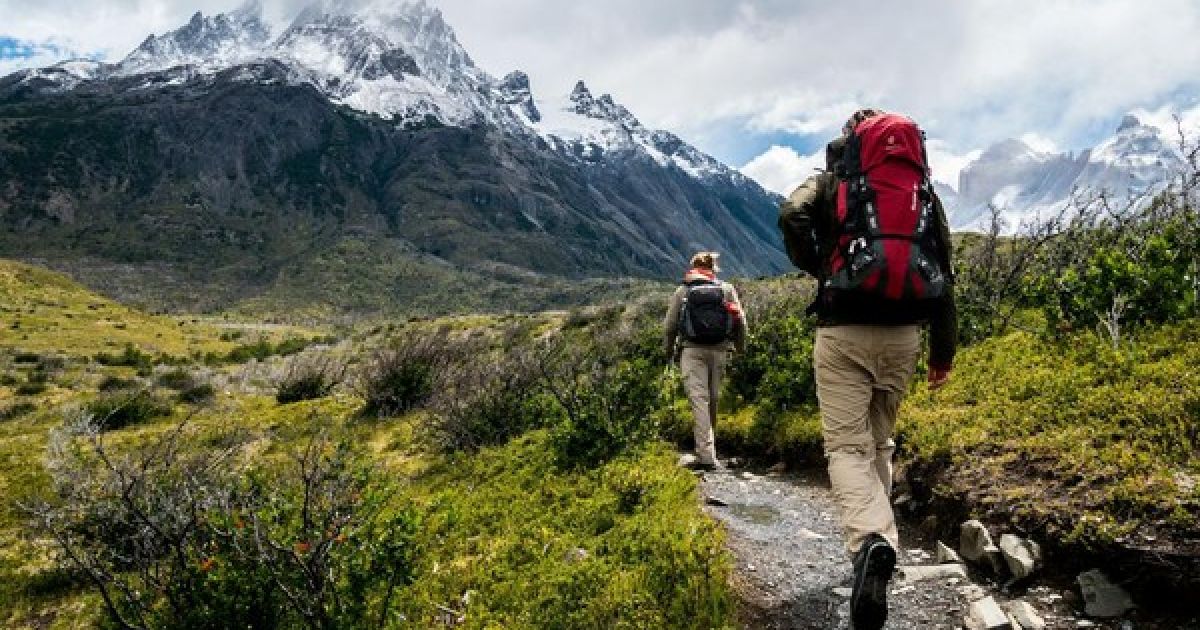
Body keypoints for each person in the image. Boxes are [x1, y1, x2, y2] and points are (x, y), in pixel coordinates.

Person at [778, 109, 957, 630]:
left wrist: (820, 264)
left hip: (844, 330)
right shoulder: (921, 192)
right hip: (904, 335)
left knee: (845, 447)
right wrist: (942, 354)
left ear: (850, 140)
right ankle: (881, 541)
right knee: (879, 442)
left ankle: (871, 541)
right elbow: (943, 268)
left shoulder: (833, 182)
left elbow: (791, 214)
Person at [663, 251, 747, 471]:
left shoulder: (683, 291)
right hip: (720, 350)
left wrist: (669, 352)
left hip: (691, 351)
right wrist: (739, 348)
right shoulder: (726, 289)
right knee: (713, 399)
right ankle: (709, 449)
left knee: (699, 400)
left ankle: (706, 455)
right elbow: (741, 321)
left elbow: (670, 326)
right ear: (714, 268)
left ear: (693, 267)